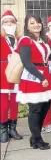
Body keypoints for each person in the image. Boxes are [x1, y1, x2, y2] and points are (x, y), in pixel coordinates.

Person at [16, 14, 51, 150]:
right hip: (34, 77)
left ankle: (35, 137)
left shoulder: (43, 40)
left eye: (38, 22)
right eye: (32, 23)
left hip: (45, 75)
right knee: (35, 109)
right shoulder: (25, 40)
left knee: (45, 107)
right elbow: (27, 63)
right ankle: (37, 138)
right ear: (27, 26)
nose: (36, 25)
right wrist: (42, 79)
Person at [0, 10, 23, 143]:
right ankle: (3, 129)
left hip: (17, 71)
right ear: (2, 24)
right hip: (2, 72)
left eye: (11, 21)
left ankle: (13, 129)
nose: (9, 24)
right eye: (6, 22)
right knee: (3, 103)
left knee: (15, 102)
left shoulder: (20, 39)